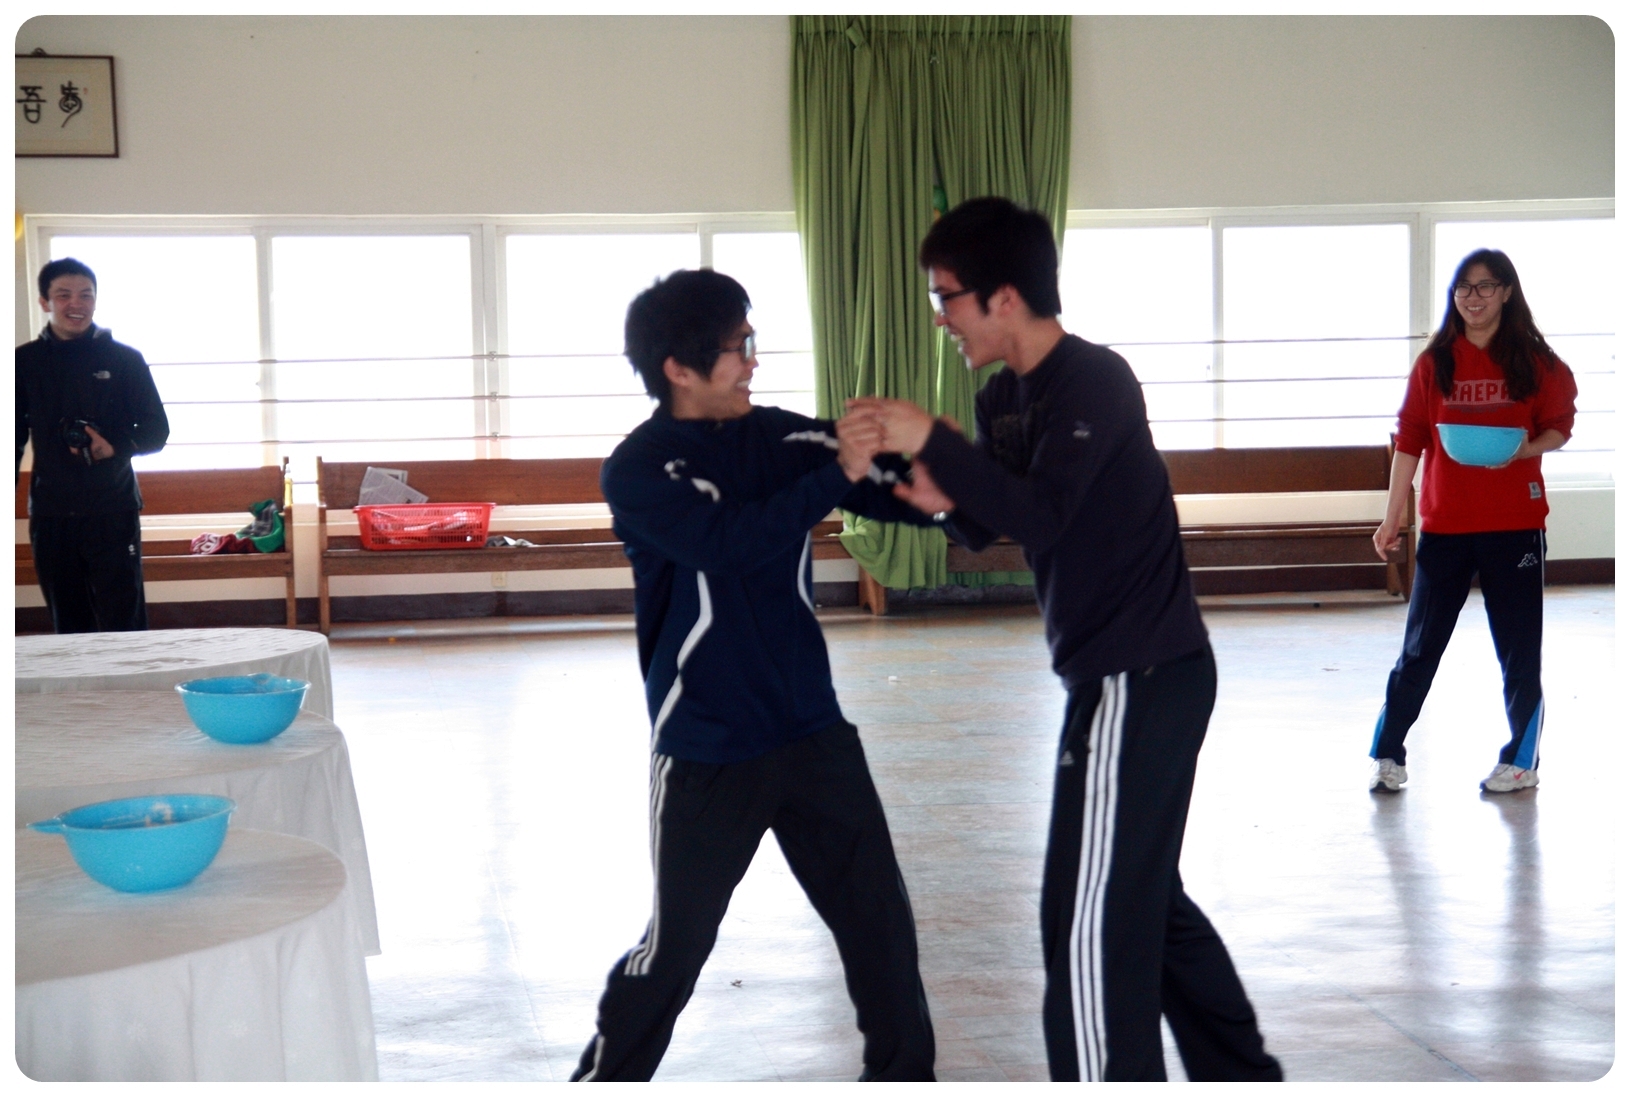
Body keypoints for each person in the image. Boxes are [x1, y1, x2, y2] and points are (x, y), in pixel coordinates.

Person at [850, 197, 1282, 1082]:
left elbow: (1045, 511)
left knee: (1083, 918)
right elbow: (990, 517)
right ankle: (1242, 1074)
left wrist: (934, 438)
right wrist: (921, 488)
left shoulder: (1095, 380)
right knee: (1145, 900)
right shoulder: (1002, 395)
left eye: (946, 297)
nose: (940, 318)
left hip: (1143, 672)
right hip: (1112, 677)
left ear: (1004, 297)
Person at [572, 269, 938, 1082]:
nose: (753, 363)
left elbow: (893, 486)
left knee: (881, 926)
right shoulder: (641, 468)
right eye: (739, 347)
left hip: (812, 729)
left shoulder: (779, 437)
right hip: (708, 745)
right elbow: (728, 542)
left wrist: (949, 481)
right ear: (679, 366)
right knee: (675, 951)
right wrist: (838, 473)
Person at [1368, 249, 1576, 795]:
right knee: (1420, 648)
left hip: (1515, 525)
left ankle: (1521, 761)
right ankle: (1388, 754)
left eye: (1485, 286)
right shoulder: (1435, 363)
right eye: (1464, 286)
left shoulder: (1536, 362)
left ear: (1506, 292)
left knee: (1518, 650)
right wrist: (1392, 519)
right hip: (1445, 527)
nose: (1473, 297)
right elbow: (1409, 441)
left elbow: (1559, 426)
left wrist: (1525, 448)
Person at [15, 257, 169, 633]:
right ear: (45, 302)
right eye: (63, 295)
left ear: (96, 301)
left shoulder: (125, 359)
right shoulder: (24, 362)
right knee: (68, 624)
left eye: (86, 295)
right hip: (52, 513)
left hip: (113, 509)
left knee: (124, 621)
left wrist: (115, 446)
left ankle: (131, 675)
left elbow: (156, 431)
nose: (76, 303)